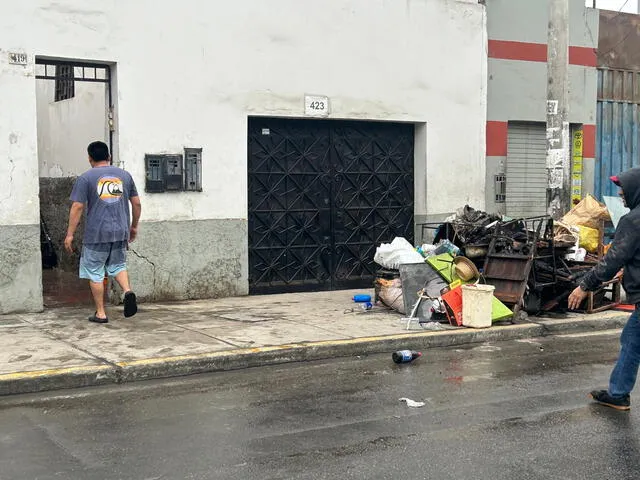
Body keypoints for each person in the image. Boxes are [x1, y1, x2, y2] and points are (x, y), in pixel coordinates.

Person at [568, 168, 640, 411]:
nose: (620, 193)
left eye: (623, 188)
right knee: (631, 340)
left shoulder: (632, 221)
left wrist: (584, 286)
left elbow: (613, 260)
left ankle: (619, 394)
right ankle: (618, 393)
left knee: (631, 340)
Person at [65, 141, 141, 324]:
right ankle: (128, 291)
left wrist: (70, 234)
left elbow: (77, 206)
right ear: (109, 157)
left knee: (95, 271)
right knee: (118, 265)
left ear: (90, 158)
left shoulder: (85, 178)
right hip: (120, 231)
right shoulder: (125, 176)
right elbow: (137, 203)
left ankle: (100, 313)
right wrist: (133, 226)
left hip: (96, 234)